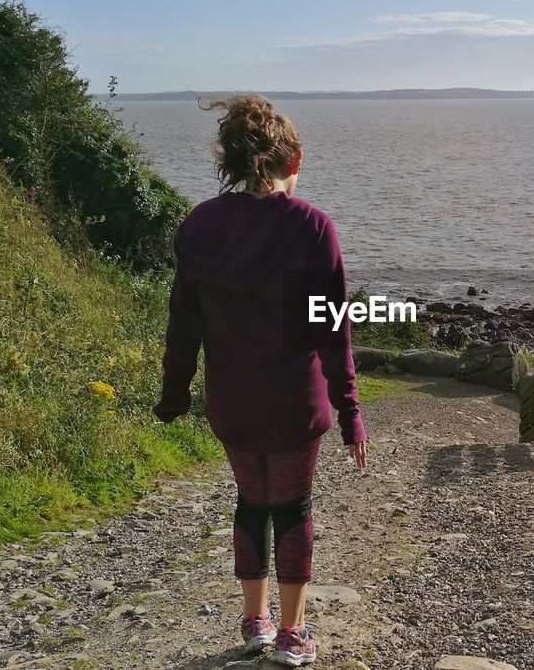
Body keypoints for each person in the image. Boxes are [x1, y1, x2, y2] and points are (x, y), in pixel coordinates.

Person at [153, 95, 368, 667]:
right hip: (297, 402)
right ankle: (292, 635)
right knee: (293, 506)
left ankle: (255, 621)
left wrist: (174, 395)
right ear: (293, 158)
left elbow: (184, 323)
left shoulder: (202, 225)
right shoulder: (311, 227)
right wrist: (350, 411)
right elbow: (331, 329)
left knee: (251, 502)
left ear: (229, 158)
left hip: (232, 399)